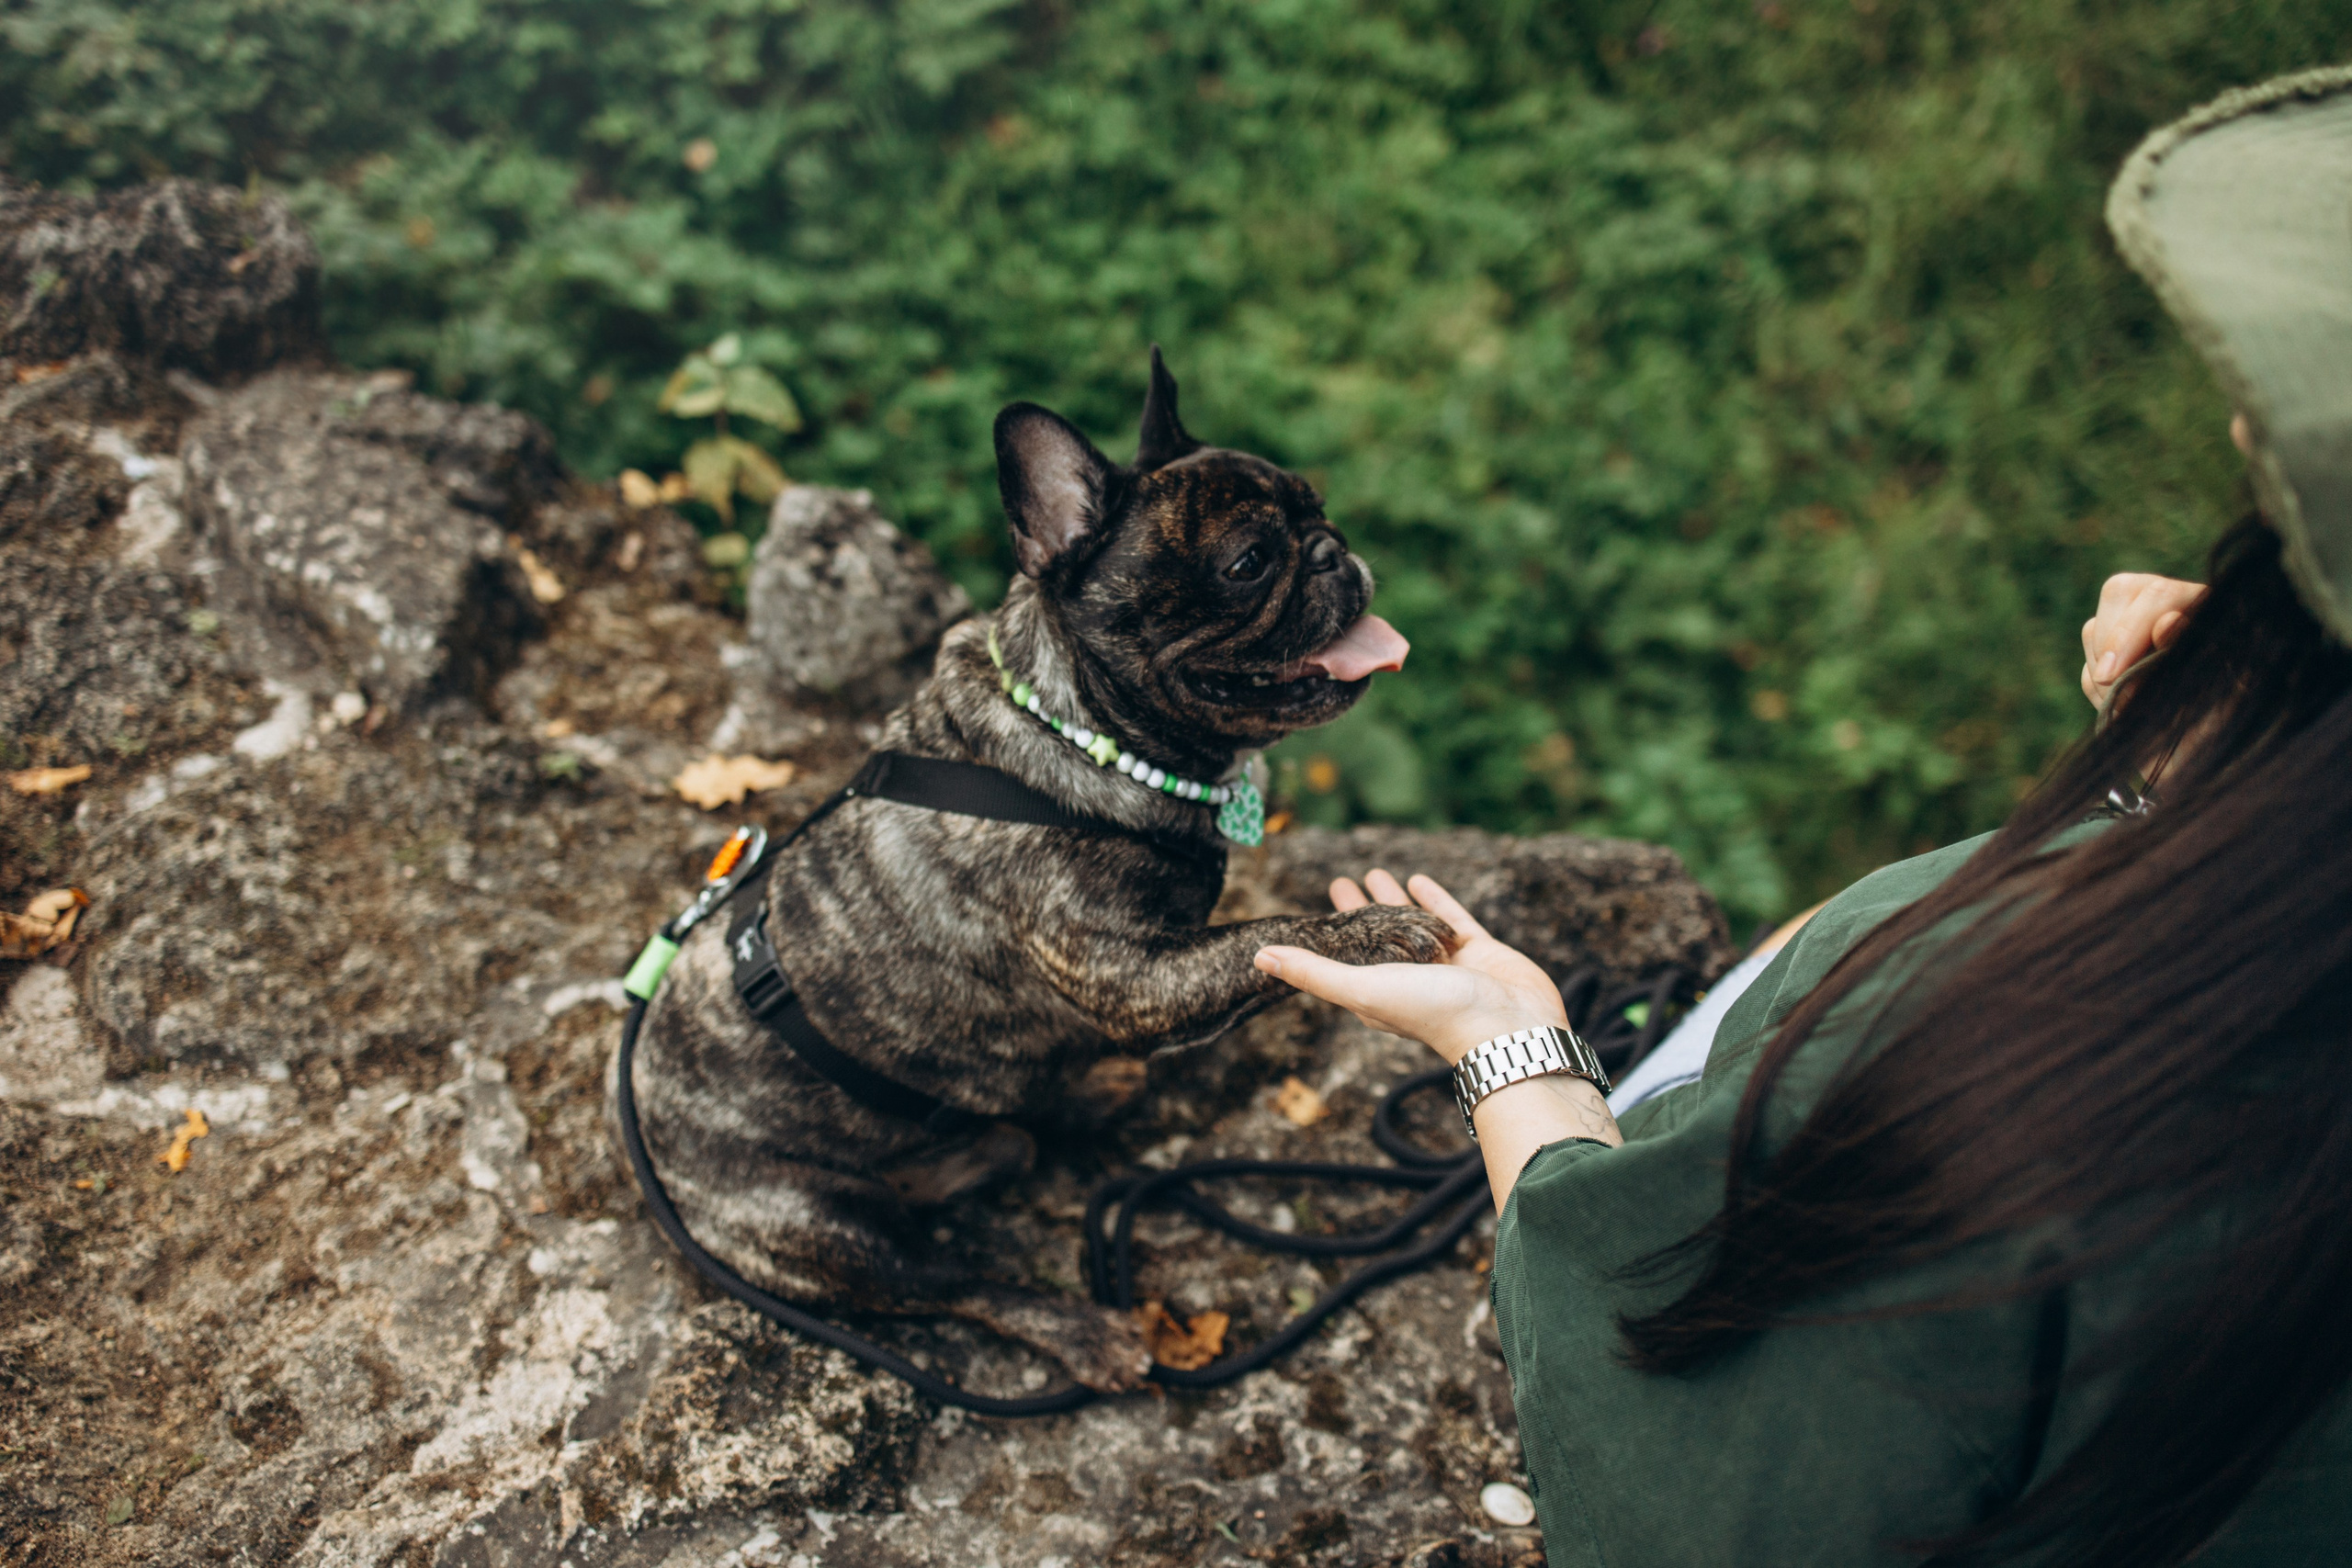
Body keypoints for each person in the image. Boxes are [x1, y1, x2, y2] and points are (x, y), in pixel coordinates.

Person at [1253, 67, 2352, 1567]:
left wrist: (1509, 1045)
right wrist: (2208, 769)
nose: (2237, 412)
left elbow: (1678, 1487)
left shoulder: (1997, 1039)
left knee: (1772, 1003)